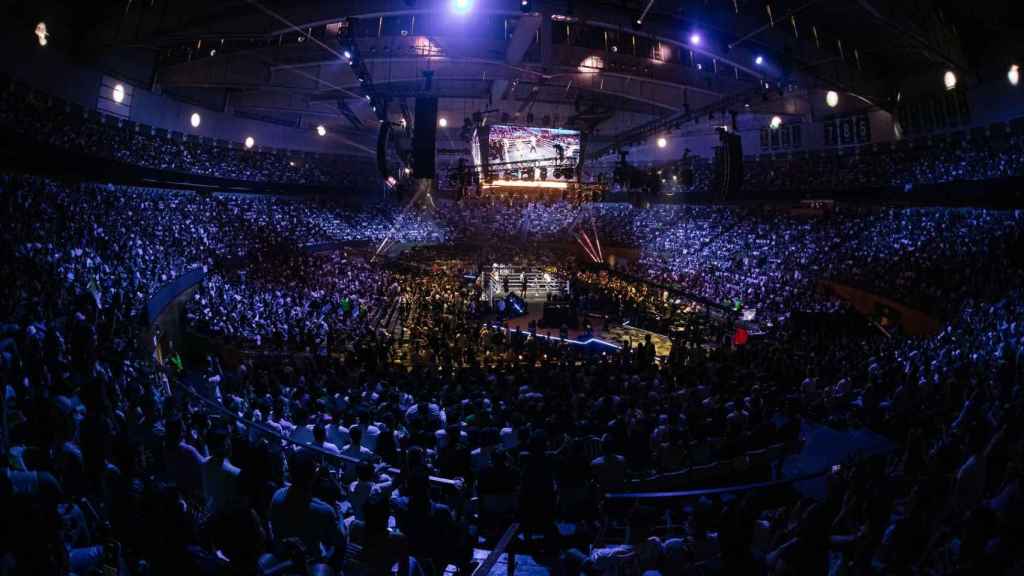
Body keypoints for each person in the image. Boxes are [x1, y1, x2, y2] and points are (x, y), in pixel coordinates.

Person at [269, 450, 347, 570]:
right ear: (314, 474)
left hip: (283, 554)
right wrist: (340, 515)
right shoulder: (324, 510)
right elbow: (339, 539)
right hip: (310, 562)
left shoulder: (277, 496)